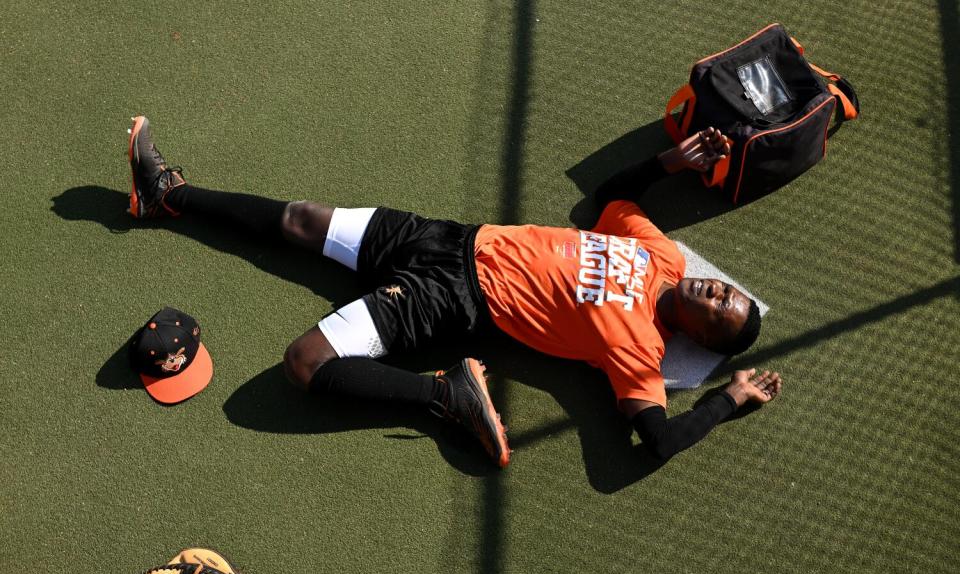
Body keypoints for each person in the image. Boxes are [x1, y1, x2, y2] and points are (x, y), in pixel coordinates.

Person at [126, 116, 782, 468]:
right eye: (726, 290)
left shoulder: (639, 349)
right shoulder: (660, 257)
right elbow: (611, 198)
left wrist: (729, 398)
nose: (716, 291)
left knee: (304, 364)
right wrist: (672, 162)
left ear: (697, 335)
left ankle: (445, 393)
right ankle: (169, 196)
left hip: (454, 302)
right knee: (302, 218)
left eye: (719, 309)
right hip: (446, 239)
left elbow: (658, 439)